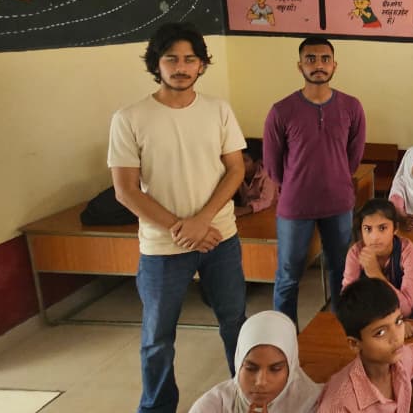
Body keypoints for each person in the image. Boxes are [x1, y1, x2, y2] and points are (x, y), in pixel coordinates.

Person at [108, 22, 247, 413]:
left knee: (235, 322)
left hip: (220, 238)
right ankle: (156, 407)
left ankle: (249, 397)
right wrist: (179, 227)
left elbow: (235, 170)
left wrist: (203, 221)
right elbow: (126, 190)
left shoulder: (218, 109)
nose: (181, 67)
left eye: (190, 59)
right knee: (157, 337)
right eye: (171, 58)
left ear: (202, 65)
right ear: (157, 63)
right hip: (162, 246)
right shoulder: (130, 117)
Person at [264, 36, 366, 324]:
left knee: (341, 271)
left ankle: (337, 331)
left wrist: (334, 177)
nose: (318, 65)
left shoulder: (351, 107)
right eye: (311, 59)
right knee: (288, 276)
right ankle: (285, 338)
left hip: (339, 203)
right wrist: (299, 183)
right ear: (300, 66)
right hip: (295, 207)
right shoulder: (281, 110)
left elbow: (353, 157)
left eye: (324, 59)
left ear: (334, 65)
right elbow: (272, 164)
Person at [315, 278, 413, 411]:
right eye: (380, 333)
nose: (396, 338)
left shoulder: (400, 359)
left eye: (398, 321)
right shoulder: (340, 404)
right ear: (354, 344)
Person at [188, 311, 322, 413]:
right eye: (251, 368)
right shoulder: (214, 406)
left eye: (275, 369)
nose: (261, 382)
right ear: (239, 364)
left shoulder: (314, 404)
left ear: (291, 369)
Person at [342, 199, 413, 319]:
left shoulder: (409, 252)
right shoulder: (355, 253)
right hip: (368, 318)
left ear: (395, 228)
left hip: (402, 320)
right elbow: (346, 302)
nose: (374, 237)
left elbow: (406, 310)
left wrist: (375, 274)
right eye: (368, 229)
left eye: (382, 228)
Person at [234, 141, 277, 217]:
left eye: (245, 160)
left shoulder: (268, 175)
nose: (240, 162)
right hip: (248, 213)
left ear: (258, 162)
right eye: (238, 158)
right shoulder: (237, 172)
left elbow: (266, 201)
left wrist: (244, 210)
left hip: (268, 213)